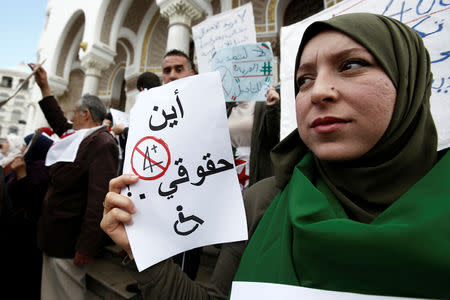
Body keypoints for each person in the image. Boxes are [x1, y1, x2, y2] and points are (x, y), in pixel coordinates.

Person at [101, 12, 450, 299]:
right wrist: (145, 253)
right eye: (304, 80)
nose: (319, 92)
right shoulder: (262, 202)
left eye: (350, 65)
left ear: (408, 79)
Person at [29, 63, 119, 300]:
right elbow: (58, 122)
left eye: (74, 114)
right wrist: (45, 87)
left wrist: (87, 245)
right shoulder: (77, 136)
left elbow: (99, 200)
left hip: (69, 243)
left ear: (85, 114)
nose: (70, 119)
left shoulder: (101, 143)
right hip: (54, 237)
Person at [2, 132, 53, 300]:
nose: (23, 149)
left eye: (26, 145)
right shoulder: (28, 165)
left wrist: (22, 175)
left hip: (27, 235)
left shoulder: (42, 171)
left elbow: (31, 203)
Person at [227, 84, 280, 190]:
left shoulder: (263, 102)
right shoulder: (228, 107)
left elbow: (274, 137)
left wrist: (272, 107)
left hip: (258, 169)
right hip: (233, 171)